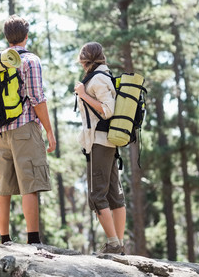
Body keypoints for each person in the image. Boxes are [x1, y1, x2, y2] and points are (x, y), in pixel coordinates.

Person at [0, 14, 56, 245]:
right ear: (26, 36)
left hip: (0, 132)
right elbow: (37, 98)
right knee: (29, 183)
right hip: (25, 129)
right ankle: (33, 240)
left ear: (7, 37)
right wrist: (49, 131)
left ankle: (4, 238)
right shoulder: (30, 60)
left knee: (4, 187)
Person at [74, 42, 127, 255]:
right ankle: (119, 245)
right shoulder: (105, 76)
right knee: (114, 194)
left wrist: (83, 94)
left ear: (85, 60)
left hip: (100, 141)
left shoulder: (96, 79)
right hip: (108, 141)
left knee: (97, 195)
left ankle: (113, 244)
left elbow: (108, 111)